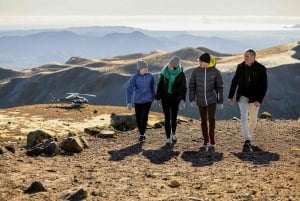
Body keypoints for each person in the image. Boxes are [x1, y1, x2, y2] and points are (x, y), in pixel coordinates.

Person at [228, 48, 268, 152]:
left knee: (253, 119)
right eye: (244, 56)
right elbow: (235, 81)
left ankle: (248, 137)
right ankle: (247, 139)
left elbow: (264, 86)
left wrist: (259, 100)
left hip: (255, 98)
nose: (244, 58)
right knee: (244, 116)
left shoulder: (261, 68)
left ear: (253, 57)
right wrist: (231, 96)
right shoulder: (240, 66)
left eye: (247, 56)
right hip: (243, 96)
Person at [189, 53, 224, 150]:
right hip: (200, 100)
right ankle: (205, 140)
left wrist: (220, 101)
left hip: (211, 99)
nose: (199, 62)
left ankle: (212, 137)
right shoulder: (195, 71)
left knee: (212, 118)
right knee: (203, 121)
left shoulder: (216, 72)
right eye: (199, 61)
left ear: (206, 62)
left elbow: (219, 87)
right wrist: (192, 99)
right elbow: (192, 86)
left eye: (200, 61)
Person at [156, 55, 187, 145]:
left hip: (175, 99)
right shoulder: (163, 72)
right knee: (166, 118)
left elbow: (183, 88)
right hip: (165, 98)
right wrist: (157, 97)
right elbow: (160, 85)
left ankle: (173, 133)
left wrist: (182, 100)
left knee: (173, 118)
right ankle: (168, 138)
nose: (168, 65)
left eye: (171, 65)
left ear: (175, 66)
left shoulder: (181, 74)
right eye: (169, 63)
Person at [126, 59, 155, 143]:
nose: (146, 69)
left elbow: (152, 88)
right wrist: (128, 102)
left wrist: (154, 97)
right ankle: (141, 133)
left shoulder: (150, 76)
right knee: (138, 118)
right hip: (138, 101)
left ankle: (142, 134)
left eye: (147, 67)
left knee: (144, 116)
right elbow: (129, 90)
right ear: (140, 68)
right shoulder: (135, 78)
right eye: (145, 67)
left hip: (147, 100)